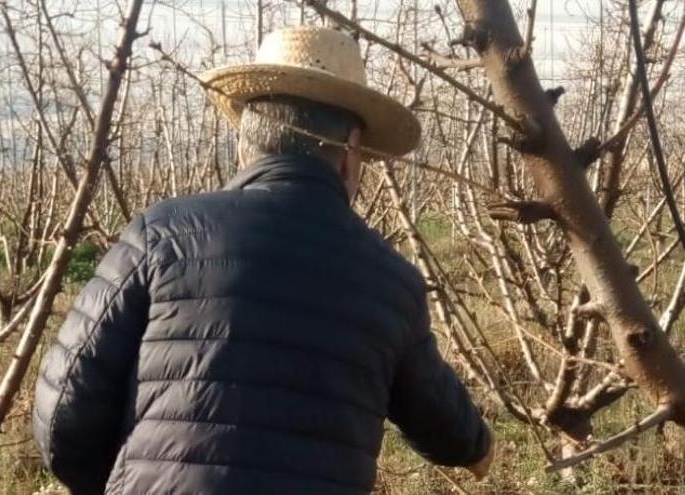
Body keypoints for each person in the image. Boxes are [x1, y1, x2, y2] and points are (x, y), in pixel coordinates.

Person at [32, 26, 493, 495]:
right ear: (351, 153)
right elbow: (434, 408)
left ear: (244, 145)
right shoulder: (392, 282)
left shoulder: (163, 235)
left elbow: (63, 407)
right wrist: (478, 445)